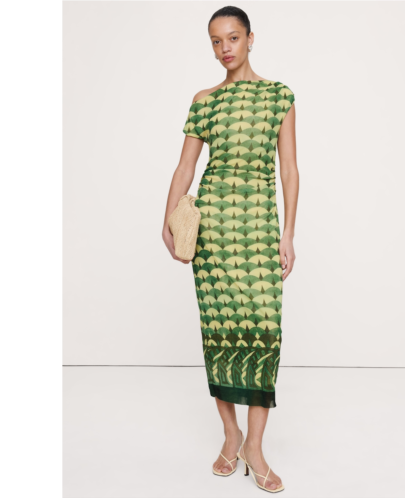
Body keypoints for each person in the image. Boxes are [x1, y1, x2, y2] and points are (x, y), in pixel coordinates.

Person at [162, 6, 299, 493]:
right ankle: (231, 435)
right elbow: (186, 168)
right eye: (216, 41)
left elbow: (289, 169)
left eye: (233, 38)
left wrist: (288, 233)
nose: (225, 48)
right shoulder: (204, 100)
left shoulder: (279, 96)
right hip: (214, 231)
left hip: (259, 227)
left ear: (250, 38)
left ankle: (255, 448)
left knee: (264, 333)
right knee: (219, 332)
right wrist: (168, 218)